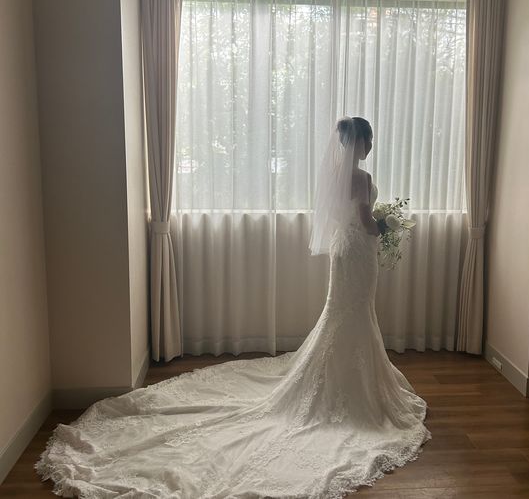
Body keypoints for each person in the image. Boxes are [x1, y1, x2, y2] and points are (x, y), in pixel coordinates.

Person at [36, 116, 431, 498]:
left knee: (341, 311)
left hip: (342, 250)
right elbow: (366, 222)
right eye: (369, 140)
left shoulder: (334, 175)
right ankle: (355, 385)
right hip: (358, 250)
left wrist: (377, 222)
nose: (370, 146)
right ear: (360, 142)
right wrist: (387, 225)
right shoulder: (361, 177)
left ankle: (340, 375)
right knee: (355, 311)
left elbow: (341, 217)